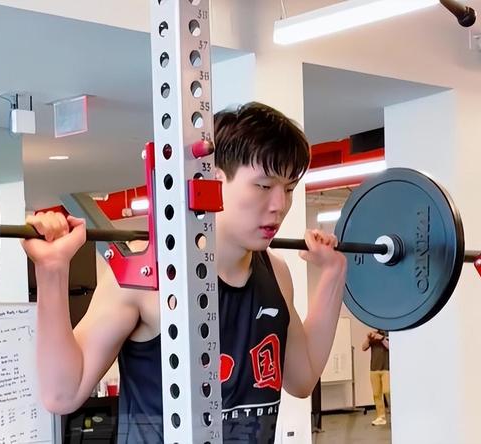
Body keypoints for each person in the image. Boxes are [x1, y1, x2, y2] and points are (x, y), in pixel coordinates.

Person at [22, 102, 347, 443]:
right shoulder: (146, 272)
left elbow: (302, 378)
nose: (280, 205)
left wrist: (333, 275)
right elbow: (62, 394)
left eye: (289, 189)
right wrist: (52, 271)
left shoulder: (276, 273)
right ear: (214, 181)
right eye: (264, 186)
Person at [362, 329, 390, 426]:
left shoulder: (389, 334)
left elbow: (391, 347)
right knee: (376, 394)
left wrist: (382, 339)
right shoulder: (373, 335)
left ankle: (394, 413)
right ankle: (381, 417)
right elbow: (363, 347)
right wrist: (368, 338)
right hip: (374, 369)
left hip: (386, 369)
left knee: (387, 392)